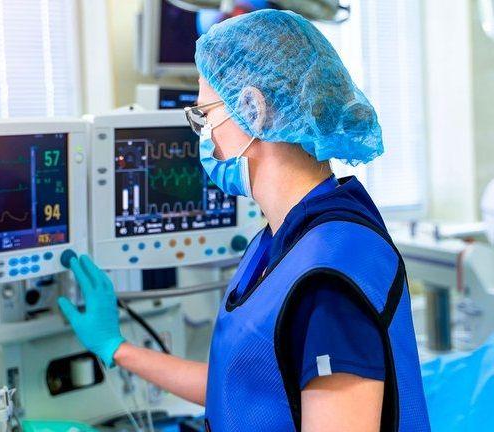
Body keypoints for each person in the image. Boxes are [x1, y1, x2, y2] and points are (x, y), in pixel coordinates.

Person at [58, 9, 429, 432]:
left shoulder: (327, 275)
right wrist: (117, 347)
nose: (204, 137)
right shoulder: (281, 239)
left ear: (253, 109)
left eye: (205, 115)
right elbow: (246, 390)